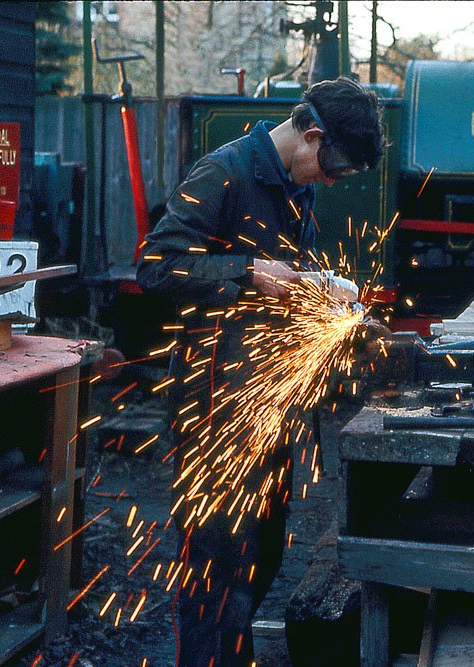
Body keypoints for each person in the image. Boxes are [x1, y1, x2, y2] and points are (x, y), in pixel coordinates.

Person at [136, 76, 384, 667]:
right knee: (214, 573)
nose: (328, 181)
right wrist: (246, 271)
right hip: (214, 408)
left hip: (269, 405)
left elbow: (288, 286)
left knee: (261, 555)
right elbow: (153, 265)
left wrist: (327, 300)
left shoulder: (299, 189)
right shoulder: (223, 174)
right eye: (330, 170)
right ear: (312, 134)